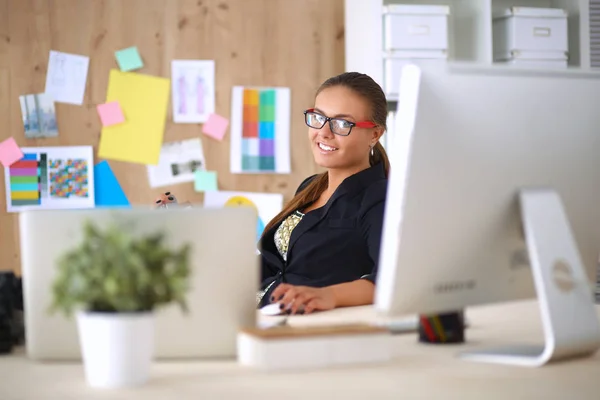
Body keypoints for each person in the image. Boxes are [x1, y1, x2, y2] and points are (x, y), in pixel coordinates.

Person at [156, 72, 390, 315]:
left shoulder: (379, 200)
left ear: (374, 134)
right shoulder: (311, 187)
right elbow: (274, 265)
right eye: (318, 117)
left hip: (302, 332)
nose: (323, 132)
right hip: (252, 315)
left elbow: (390, 280)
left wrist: (329, 295)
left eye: (342, 123)